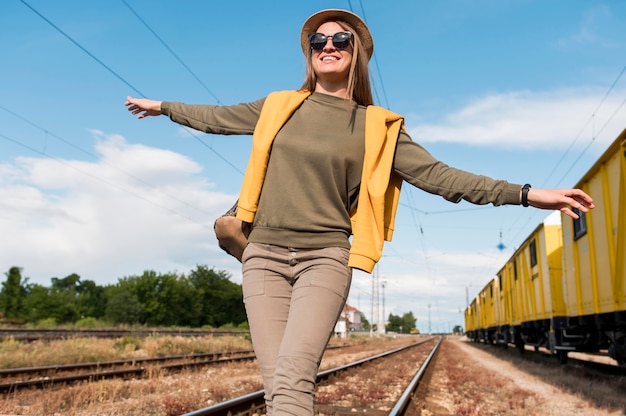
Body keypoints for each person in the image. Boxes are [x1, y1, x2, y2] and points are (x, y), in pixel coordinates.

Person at [125, 9, 594, 415]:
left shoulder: (378, 127)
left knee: (293, 377)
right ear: (309, 53)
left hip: (323, 259)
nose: (327, 45)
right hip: (262, 257)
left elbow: (443, 178)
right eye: (318, 40)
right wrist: (163, 107)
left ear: (357, 54)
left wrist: (528, 194)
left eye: (340, 39)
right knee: (278, 386)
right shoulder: (278, 107)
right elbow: (217, 117)